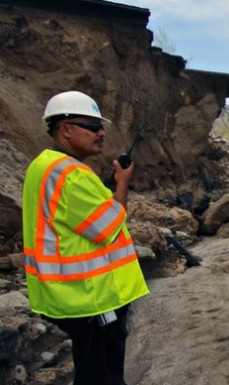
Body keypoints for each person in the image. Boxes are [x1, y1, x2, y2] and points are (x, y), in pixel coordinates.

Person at [22, 90, 149, 385]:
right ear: (65, 129)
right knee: (104, 377)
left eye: (101, 126)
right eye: (92, 126)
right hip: (92, 298)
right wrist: (122, 184)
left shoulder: (43, 166)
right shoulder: (72, 175)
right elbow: (107, 225)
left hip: (63, 296)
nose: (101, 132)